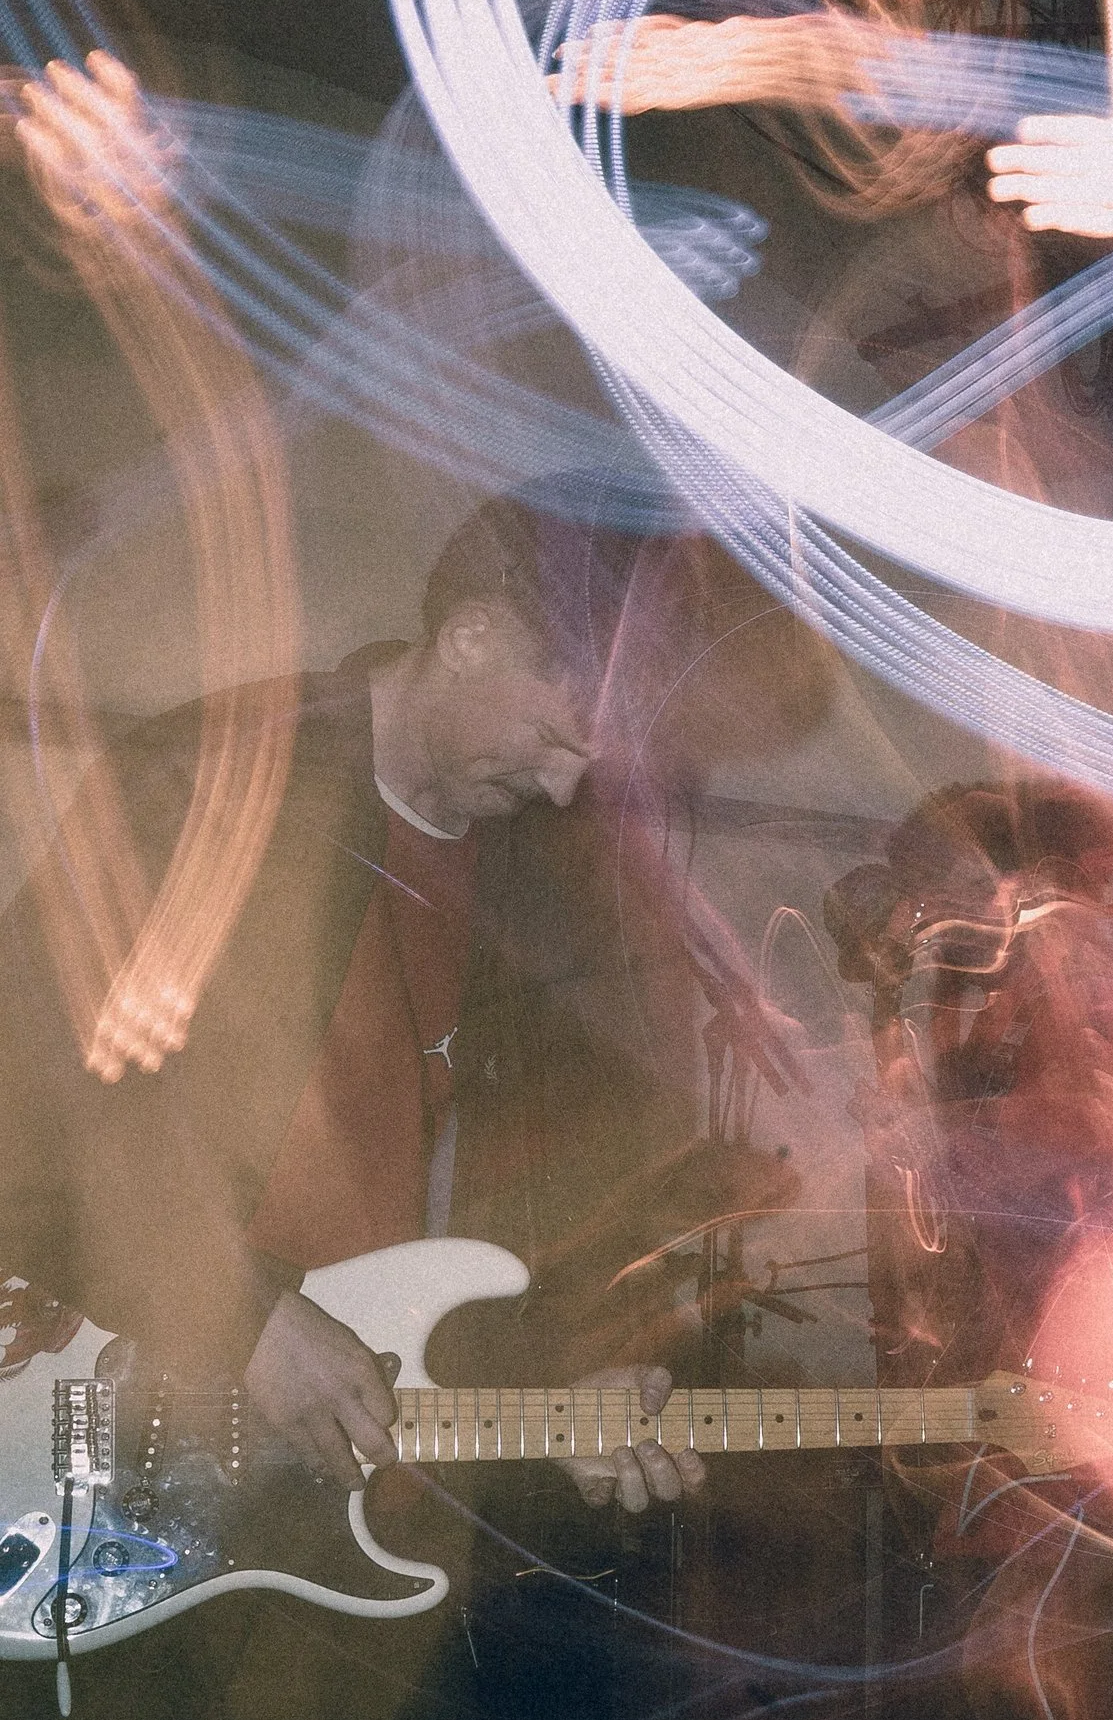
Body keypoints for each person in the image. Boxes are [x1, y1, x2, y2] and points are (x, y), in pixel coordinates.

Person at [0, 491, 707, 1516]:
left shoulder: (538, 887)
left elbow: (527, 1184)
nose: (562, 791)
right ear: (470, 640)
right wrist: (243, 1319)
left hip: (351, 1475)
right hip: (127, 1408)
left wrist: (567, 1376)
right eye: (557, 739)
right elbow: (31, 1085)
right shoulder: (215, 777)